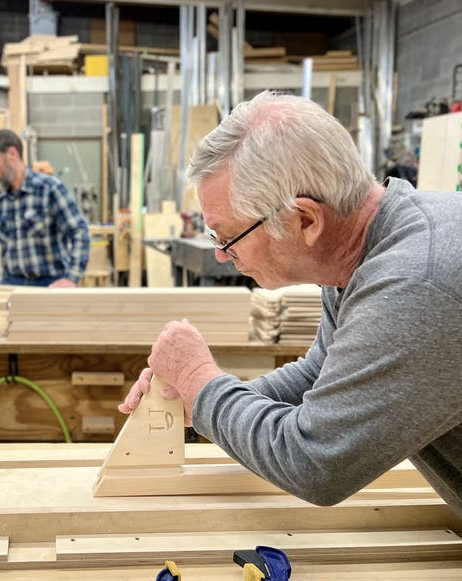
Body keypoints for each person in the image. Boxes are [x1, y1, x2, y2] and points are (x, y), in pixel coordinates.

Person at [119, 90, 462, 517]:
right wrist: (195, 403)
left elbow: (315, 462)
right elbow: (322, 377)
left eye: (228, 237)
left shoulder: (414, 284)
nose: (221, 254)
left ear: (305, 220)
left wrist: (202, 383)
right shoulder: (363, 255)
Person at [0, 129, 90, 287]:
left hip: (50, 283)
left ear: (12, 154)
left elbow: (79, 231)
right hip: (11, 283)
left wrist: (71, 277)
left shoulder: (49, 189)